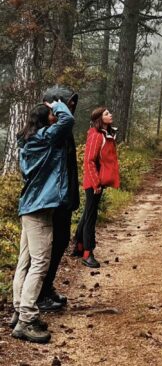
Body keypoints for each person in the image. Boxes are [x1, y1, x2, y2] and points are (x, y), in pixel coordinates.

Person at [11, 99, 75, 343]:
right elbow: (67, 121)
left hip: (28, 206)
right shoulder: (46, 138)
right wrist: (58, 104)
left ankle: (19, 310)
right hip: (39, 209)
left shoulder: (26, 141)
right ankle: (26, 320)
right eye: (51, 114)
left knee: (24, 261)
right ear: (45, 119)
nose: (54, 117)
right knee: (40, 263)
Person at [37, 84, 80, 312]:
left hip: (63, 200)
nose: (72, 106)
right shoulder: (49, 133)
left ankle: (47, 288)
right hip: (52, 201)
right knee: (46, 249)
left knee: (61, 242)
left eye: (72, 103)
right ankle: (39, 294)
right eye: (67, 102)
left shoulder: (62, 132)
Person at [73, 106, 120, 268]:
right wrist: (96, 183)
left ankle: (79, 245)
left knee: (88, 212)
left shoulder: (104, 134)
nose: (110, 114)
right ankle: (87, 253)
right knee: (91, 217)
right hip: (94, 183)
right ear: (100, 118)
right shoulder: (96, 136)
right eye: (107, 114)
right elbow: (89, 161)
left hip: (98, 181)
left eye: (109, 112)